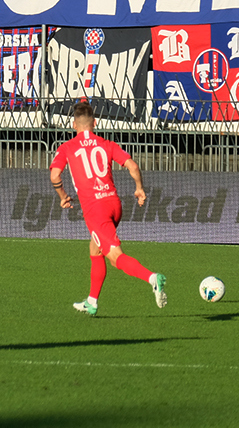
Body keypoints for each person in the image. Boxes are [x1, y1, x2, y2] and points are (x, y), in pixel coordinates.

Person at [52, 101, 166, 316]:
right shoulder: (106, 144)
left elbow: (54, 175)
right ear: (94, 123)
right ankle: (92, 302)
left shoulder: (67, 147)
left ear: (74, 125)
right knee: (95, 250)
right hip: (114, 204)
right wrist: (139, 189)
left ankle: (152, 278)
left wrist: (63, 196)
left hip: (96, 210)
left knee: (115, 258)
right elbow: (132, 165)